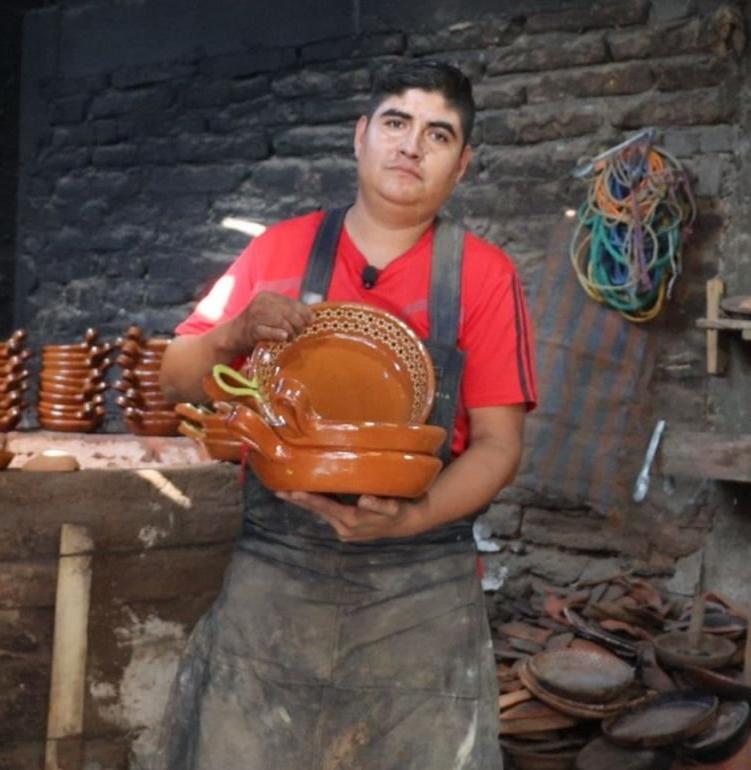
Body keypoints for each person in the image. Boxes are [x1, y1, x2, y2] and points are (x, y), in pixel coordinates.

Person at [152, 59, 538, 769]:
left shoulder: (485, 276)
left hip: (419, 586)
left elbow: (497, 446)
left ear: (463, 165)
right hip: (276, 567)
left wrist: (412, 518)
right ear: (360, 137)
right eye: (396, 122)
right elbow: (175, 377)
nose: (411, 146)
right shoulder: (279, 249)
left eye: (438, 135)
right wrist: (235, 334)